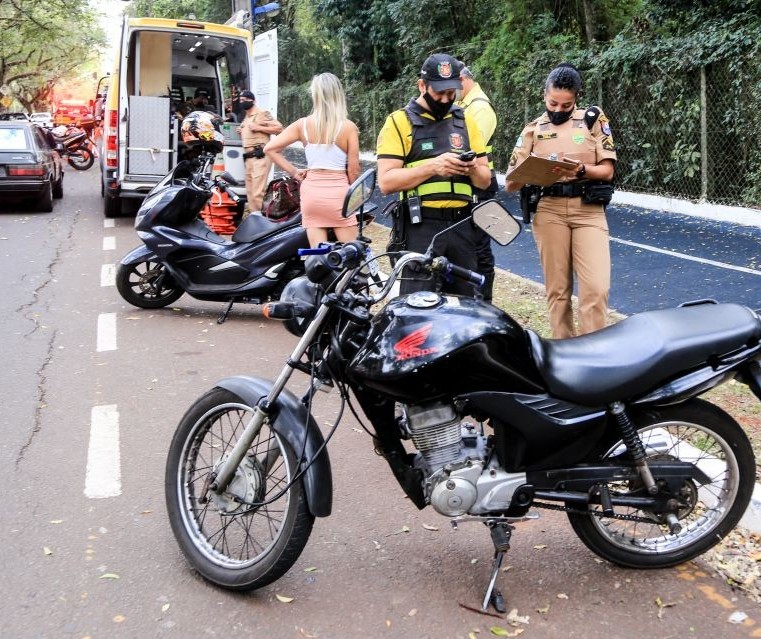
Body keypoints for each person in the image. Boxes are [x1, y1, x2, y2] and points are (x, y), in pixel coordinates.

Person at [506, 62, 616, 339]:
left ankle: (595, 352)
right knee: (558, 291)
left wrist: (579, 170)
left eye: (565, 106)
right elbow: (510, 183)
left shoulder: (593, 120)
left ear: (576, 99)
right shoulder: (532, 130)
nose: (557, 110)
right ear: (544, 95)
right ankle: (564, 353)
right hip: (550, 210)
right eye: (553, 103)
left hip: (588, 210)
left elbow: (607, 171)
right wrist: (535, 172)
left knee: (596, 288)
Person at [376, 53, 491, 296]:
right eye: (439, 92)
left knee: (465, 305)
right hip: (421, 226)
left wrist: (470, 168)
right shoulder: (398, 122)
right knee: (417, 303)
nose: (445, 98)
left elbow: (484, 180)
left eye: (451, 92)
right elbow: (386, 182)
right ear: (422, 85)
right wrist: (432, 167)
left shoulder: (466, 120)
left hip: (462, 225)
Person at [264, 73, 361, 247]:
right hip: (339, 195)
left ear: (315, 95)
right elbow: (354, 171)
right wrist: (358, 198)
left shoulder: (302, 125)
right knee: (354, 257)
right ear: (338, 94)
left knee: (318, 259)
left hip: (311, 194)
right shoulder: (348, 127)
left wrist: (294, 172)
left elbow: (270, 149)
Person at [456, 64, 498, 302]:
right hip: (468, 185)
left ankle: (484, 301)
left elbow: (469, 148)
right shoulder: (465, 105)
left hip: (481, 186)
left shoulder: (480, 107)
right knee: (467, 245)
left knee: (481, 248)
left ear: (462, 80)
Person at [237, 90, 283, 215]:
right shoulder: (246, 117)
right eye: (240, 100)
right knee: (251, 192)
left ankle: (260, 220)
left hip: (260, 157)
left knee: (258, 192)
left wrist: (259, 128)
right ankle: (254, 217)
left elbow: (279, 128)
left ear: (253, 100)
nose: (242, 102)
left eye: (245, 100)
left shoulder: (262, 113)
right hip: (249, 158)